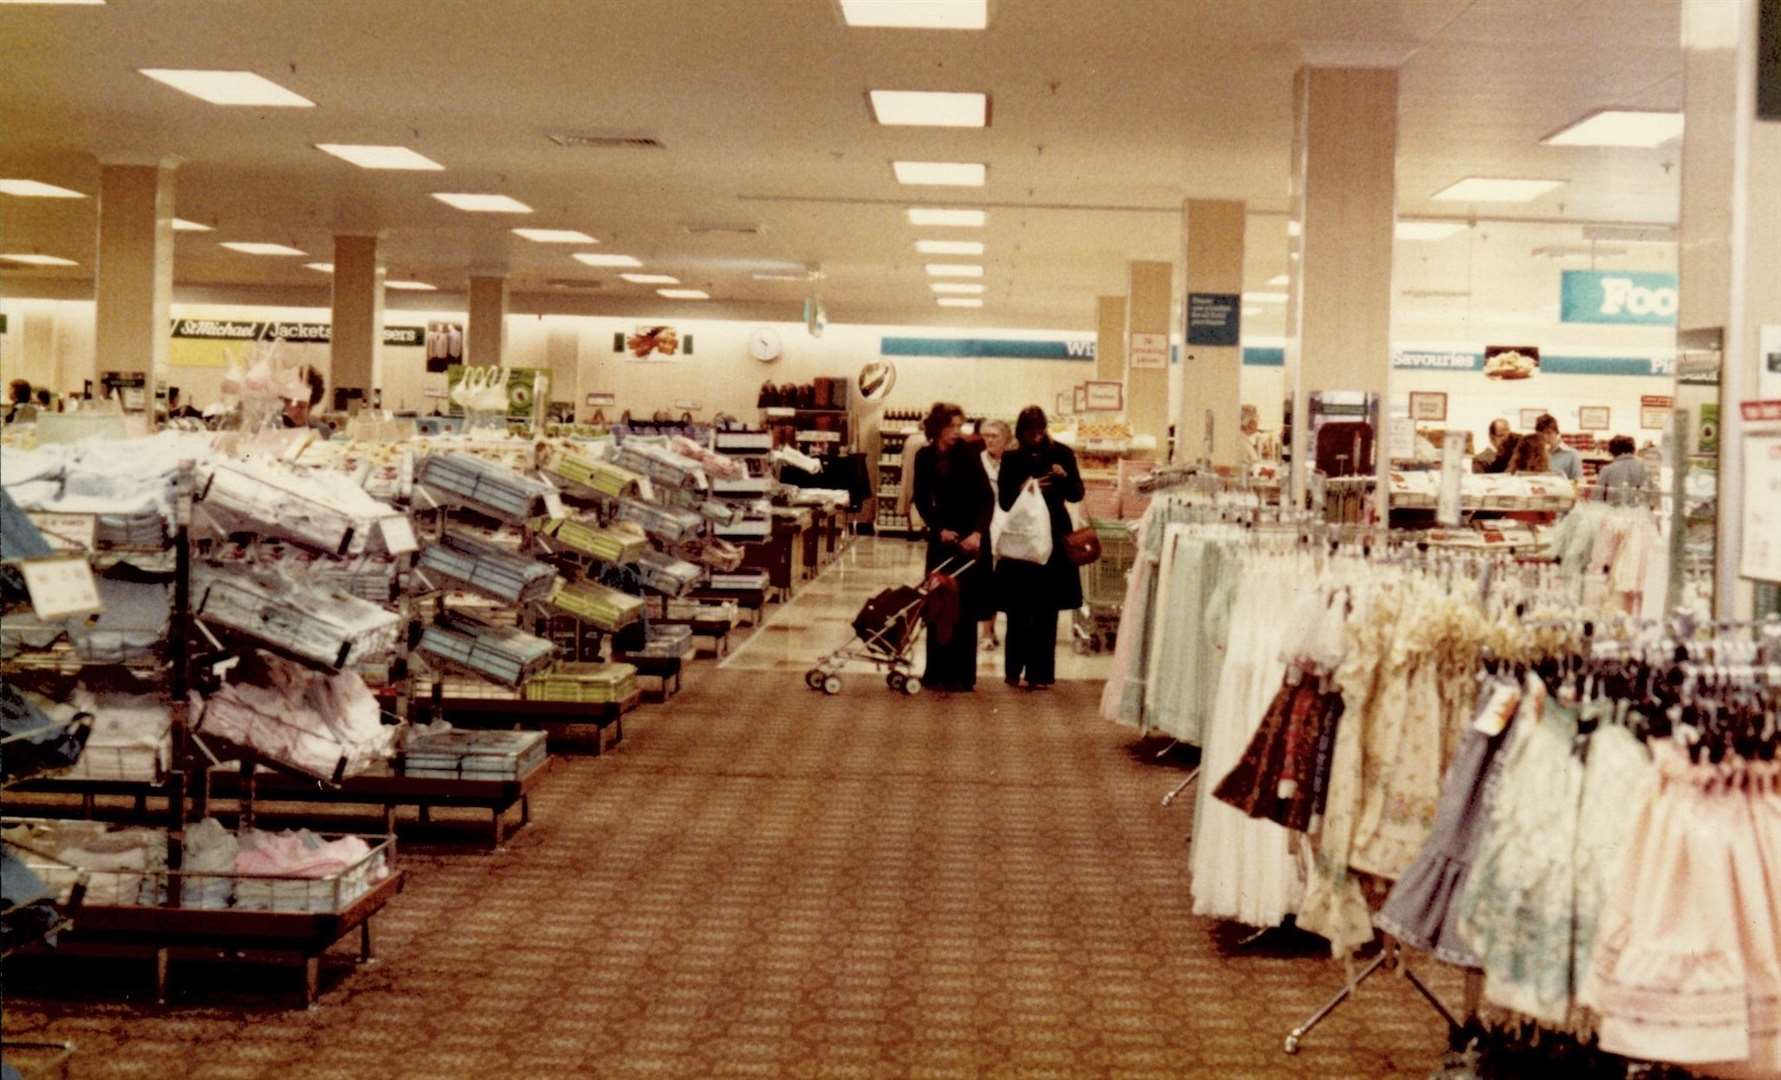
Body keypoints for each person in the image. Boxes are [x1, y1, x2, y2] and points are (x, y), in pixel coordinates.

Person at [995, 405, 1084, 690]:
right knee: (1019, 608)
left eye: (1040, 430)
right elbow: (1006, 502)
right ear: (1021, 432)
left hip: (1055, 536)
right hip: (1023, 538)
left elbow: (1076, 493)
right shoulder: (1011, 458)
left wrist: (1064, 476)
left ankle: (1041, 674)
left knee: (1047, 609)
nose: (1036, 436)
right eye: (1030, 431)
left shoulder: (1062, 453)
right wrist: (1025, 488)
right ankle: (1013, 670)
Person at [911, 402, 993, 693]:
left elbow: (986, 498)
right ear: (938, 428)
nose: (958, 432)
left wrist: (978, 533)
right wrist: (937, 529)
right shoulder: (923, 457)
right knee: (938, 602)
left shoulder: (968, 455)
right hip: (942, 537)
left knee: (964, 607)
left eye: (960, 427)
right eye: (953, 427)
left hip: (970, 539)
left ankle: (962, 676)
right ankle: (935, 672)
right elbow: (920, 497)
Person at [977, 419, 1012, 652]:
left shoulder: (1012, 461)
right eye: (986, 435)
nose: (989, 440)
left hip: (1009, 525)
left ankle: (997, 629)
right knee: (987, 580)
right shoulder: (977, 461)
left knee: (1004, 581)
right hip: (986, 524)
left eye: (994, 436)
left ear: (1006, 439)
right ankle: (986, 632)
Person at [1594, 435, 1650, 501]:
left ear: (1612, 451)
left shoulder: (1607, 469)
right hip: (1638, 509)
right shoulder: (1644, 466)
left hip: (1614, 509)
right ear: (1633, 449)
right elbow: (1649, 493)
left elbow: (1597, 497)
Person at [1535, 414, 1580, 481]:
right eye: (1541, 434)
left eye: (1548, 433)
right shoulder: (1534, 454)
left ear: (1557, 433)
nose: (1545, 437)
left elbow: (1578, 483)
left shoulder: (1572, 454)